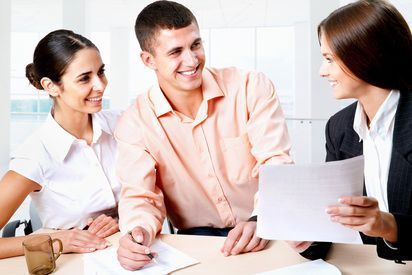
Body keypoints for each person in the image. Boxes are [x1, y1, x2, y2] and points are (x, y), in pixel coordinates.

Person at [115, 0, 292, 270]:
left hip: (266, 225)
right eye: (176, 51)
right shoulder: (135, 123)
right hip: (197, 240)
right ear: (148, 60)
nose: (192, 60)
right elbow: (141, 196)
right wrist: (137, 234)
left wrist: (261, 219)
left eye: (195, 45)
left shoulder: (249, 87)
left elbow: (275, 162)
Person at [290, 0, 412, 263]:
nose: (323, 72)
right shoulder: (339, 127)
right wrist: (305, 238)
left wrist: (388, 226)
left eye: (329, 59)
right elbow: (335, 221)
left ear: (364, 55)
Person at [0, 29, 122, 259]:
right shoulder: (34, 155)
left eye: (101, 72)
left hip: (132, 254)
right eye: (85, 78)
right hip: (75, 264)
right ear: (51, 86)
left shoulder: (122, 125)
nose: (100, 85)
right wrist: (55, 241)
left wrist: (121, 216)